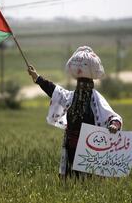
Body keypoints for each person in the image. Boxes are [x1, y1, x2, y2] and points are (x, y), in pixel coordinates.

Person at [27, 46, 123, 178]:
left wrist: (114, 125)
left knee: (88, 179)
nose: (83, 88)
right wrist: (37, 78)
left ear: (91, 85)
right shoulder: (71, 97)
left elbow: (111, 116)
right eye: (80, 85)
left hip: (90, 147)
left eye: (86, 85)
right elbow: (54, 91)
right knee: (71, 176)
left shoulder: (96, 100)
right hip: (71, 144)